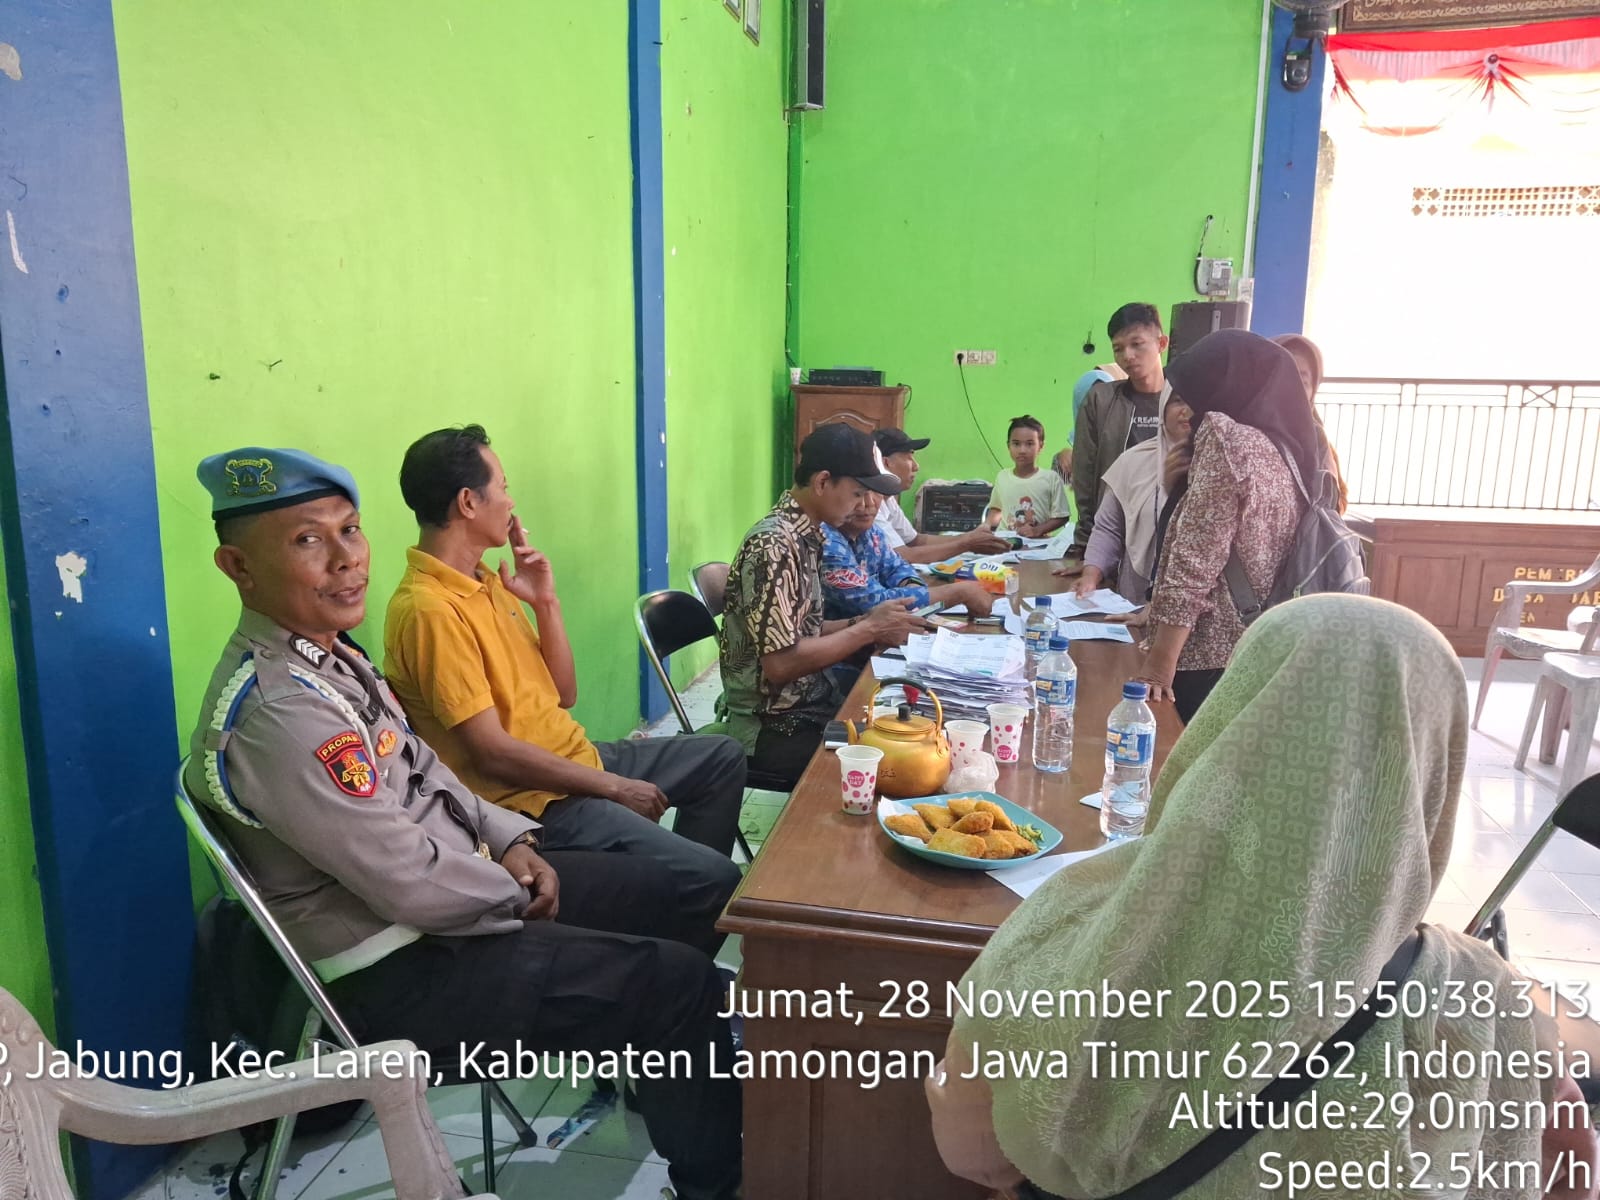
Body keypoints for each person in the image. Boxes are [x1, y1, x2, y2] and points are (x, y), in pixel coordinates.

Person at [183, 448, 742, 1200]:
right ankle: (718, 1181)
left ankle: (663, 1061)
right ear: (238, 567)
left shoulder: (329, 658)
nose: (346, 559)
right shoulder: (283, 713)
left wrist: (512, 840)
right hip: (400, 966)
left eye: (350, 530)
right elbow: (409, 884)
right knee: (676, 984)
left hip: (455, 898)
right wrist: (513, 889)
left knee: (694, 890)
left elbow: (430, 767)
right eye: (308, 540)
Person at [927, 594, 1597, 1200]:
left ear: (1231, 720)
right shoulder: (1491, 1003)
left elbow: (973, 1155)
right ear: (1434, 766)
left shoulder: (1073, 923)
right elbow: (1568, 1172)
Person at [383, 425, 741, 961]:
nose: (511, 501)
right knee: (717, 877)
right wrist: (614, 787)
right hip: (534, 800)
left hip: (575, 758)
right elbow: (491, 753)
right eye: (503, 487)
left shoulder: (485, 580)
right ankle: (676, 961)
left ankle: (674, 923)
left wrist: (545, 601)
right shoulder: (430, 610)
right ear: (468, 502)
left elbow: (564, 693)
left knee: (721, 757)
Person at [719, 423, 931, 788]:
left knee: (915, 735)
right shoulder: (774, 545)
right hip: (773, 725)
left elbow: (803, 629)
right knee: (900, 771)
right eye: (856, 493)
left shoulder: (806, 536)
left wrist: (865, 621)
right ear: (822, 482)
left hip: (811, 703)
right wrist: (868, 629)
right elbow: (781, 663)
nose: (862, 505)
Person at [1132, 330, 1310, 723]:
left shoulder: (1227, 437)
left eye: (1195, 392)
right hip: (1250, 647)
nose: (1189, 409)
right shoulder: (1281, 448)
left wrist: (1159, 664)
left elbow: (1196, 558)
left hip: (1204, 656)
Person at [1052, 390, 1192, 605]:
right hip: (1134, 599)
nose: (1186, 410)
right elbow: (1109, 527)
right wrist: (1091, 575)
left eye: (1195, 401)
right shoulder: (1134, 461)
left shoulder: (1221, 467)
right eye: (1177, 401)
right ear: (1163, 408)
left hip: (1194, 604)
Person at [1069, 304, 1174, 556]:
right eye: (1118, 348)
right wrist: (1086, 546)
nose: (1127, 355)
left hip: (1170, 535)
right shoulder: (1100, 401)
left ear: (1161, 343)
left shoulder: (1184, 401)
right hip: (1116, 534)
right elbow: (1085, 475)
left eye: (1137, 344)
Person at [821, 490, 996, 620]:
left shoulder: (869, 530)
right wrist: (959, 593)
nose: (870, 502)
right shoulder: (827, 542)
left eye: (876, 492)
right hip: (844, 655)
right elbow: (876, 603)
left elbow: (896, 566)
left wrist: (913, 586)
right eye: (858, 493)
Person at [871, 428, 1011, 563]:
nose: (916, 466)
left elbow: (916, 541)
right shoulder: (870, 505)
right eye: (908, 458)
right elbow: (905, 556)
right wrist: (967, 544)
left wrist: (970, 537)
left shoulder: (888, 499)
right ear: (885, 463)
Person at [1272, 331, 1351, 514]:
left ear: (1313, 390)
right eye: (1285, 376)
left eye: (1303, 380)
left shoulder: (1319, 441)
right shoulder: (1240, 432)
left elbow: (1337, 505)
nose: (1293, 387)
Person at [983, 415, 1069, 538]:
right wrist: (985, 526)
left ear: (1041, 446)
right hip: (1005, 542)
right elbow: (996, 509)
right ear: (1008, 446)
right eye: (1016, 444)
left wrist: (1037, 530)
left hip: (1038, 543)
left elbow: (1062, 516)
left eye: (1029, 444)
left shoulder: (1051, 478)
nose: (1022, 450)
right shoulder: (1002, 476)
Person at [1050, 365, 1123, 484]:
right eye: (1091, 400)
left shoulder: (1130, 430)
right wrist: (1062, 460)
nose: (1099, 405)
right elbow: (1057, 484)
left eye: (1105, 397)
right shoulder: (1078, 447)